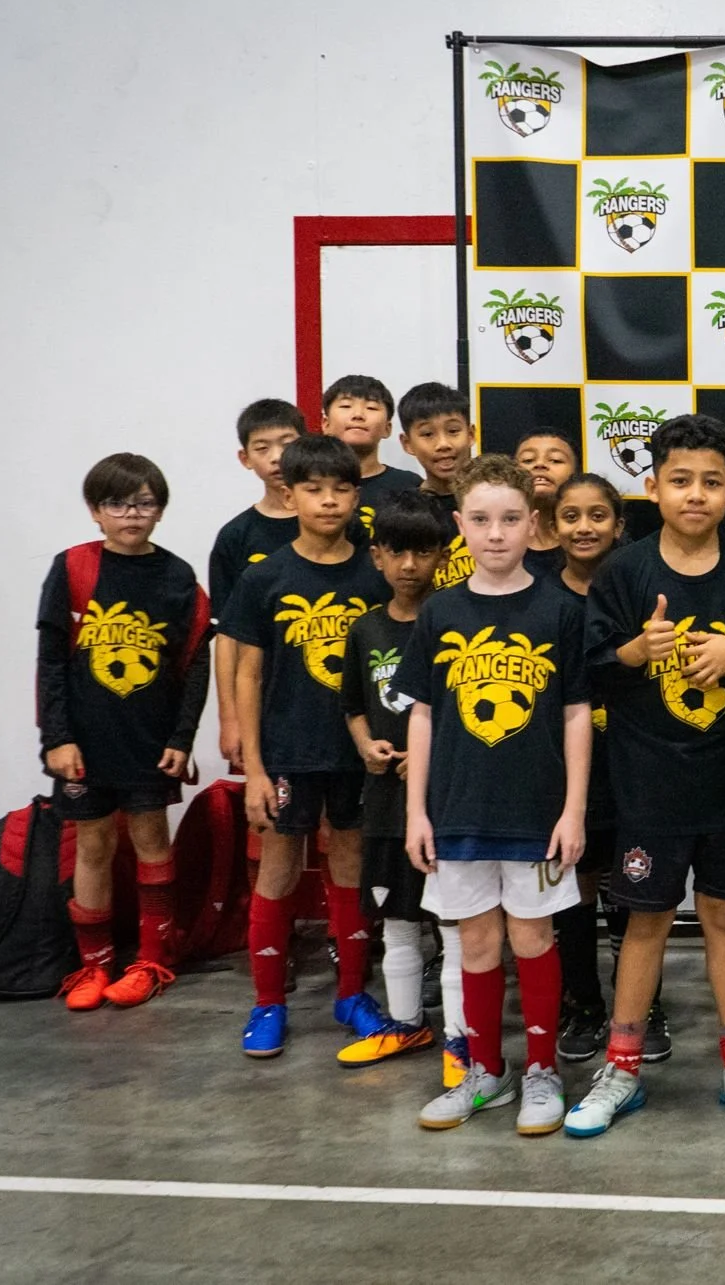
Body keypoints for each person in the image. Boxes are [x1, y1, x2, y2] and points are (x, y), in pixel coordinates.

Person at [568, 414, 725, 1138]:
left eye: (712, 482)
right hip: (648, 784)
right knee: (645, 921)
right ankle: (621, 1068)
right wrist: (635, 650)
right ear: (652, 486)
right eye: (681, 480)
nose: (696, 495)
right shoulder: (624, 572)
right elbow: (588, 670)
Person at [392, 455, 589, 1135]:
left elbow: (575, 715)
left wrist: (574, 809)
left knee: (532, 935)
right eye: (480, 519)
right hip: (457, 809)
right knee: (473, 941)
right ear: (459, 526)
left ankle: (541, 1068)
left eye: (510, 519)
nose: (496, 533)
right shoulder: (440, 610)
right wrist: (417, 810)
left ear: (533, 525)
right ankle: (486, 1070)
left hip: (535, 811)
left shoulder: (560, 608)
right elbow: (421, 714)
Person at [222, 435, 393, 1059]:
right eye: (314, 489)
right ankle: (268, 1002)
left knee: (349, 868)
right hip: (288, 753)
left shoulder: (375, 574)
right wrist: (256, 767)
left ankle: (351, 993)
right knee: (278, 868)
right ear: (288, 494)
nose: (329, 501)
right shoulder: (264, 577)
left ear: (357, 494)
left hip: (357, 751)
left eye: (342, 488)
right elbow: (246, 673)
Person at [42, 453, 209, 1011]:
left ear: (160, 509)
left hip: (150, 740)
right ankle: (93, 966)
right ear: (95, 511)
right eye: (117, 503)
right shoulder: (72, 569)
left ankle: (152, 960)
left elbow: (194, 666)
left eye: (144, 503)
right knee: (92, 845)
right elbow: (51, 661)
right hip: (85, 744)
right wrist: (56, 739)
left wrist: (182, 739)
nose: (132, 514)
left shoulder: (178, 575)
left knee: (150, 842)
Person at [337, 491, 447, 1068]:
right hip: (385, 801)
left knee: (453, 924)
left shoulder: (454, 620)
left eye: (422, 552)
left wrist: (430, 756)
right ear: (377, 556)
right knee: (399, 921)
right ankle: (407, 1025)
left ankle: (462, 1038)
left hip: (445, 799)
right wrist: (363, 743)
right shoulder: (366, 630)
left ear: (441, 556)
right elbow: (353, 703)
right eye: (396, 552)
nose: (409, 566)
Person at [548, 473, 631, 1069]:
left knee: (631, 887)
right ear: (552, 527)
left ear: (619, 526)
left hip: (632, 766)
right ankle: (583, 1001)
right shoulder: (541, 599)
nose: (584, 527)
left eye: (598, 515)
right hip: (561, 773)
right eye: (571, 516)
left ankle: (640, 1002)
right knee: (573, 886)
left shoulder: (638, 593)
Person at [209, 399, 305, 771]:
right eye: (262, 448)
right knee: (273, 814)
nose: (278, 457)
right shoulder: (236, 537)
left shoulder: (334, 524)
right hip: (263, 702)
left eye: (287, 443)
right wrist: (229, 718)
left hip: (328, 695)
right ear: (245, 458)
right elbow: (227, 636)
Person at [397, 382, 477, 590]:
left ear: (471, 435)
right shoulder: (404, 513)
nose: (443, 444)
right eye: (427, 434)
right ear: (407, 443)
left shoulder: (495, 502)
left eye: (452, 431)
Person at [322, 374, 422, 537]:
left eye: (371, 408)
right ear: (325, 424)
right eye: (346, 406)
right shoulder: (309, 485)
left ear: (387, 428)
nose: (358, 415)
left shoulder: (410, 486)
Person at [514, 426, 577, 576]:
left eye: (555, 460)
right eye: (528, 460)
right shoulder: (497, 542)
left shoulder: (591, 543)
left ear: (576, 473)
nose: (540, 465)